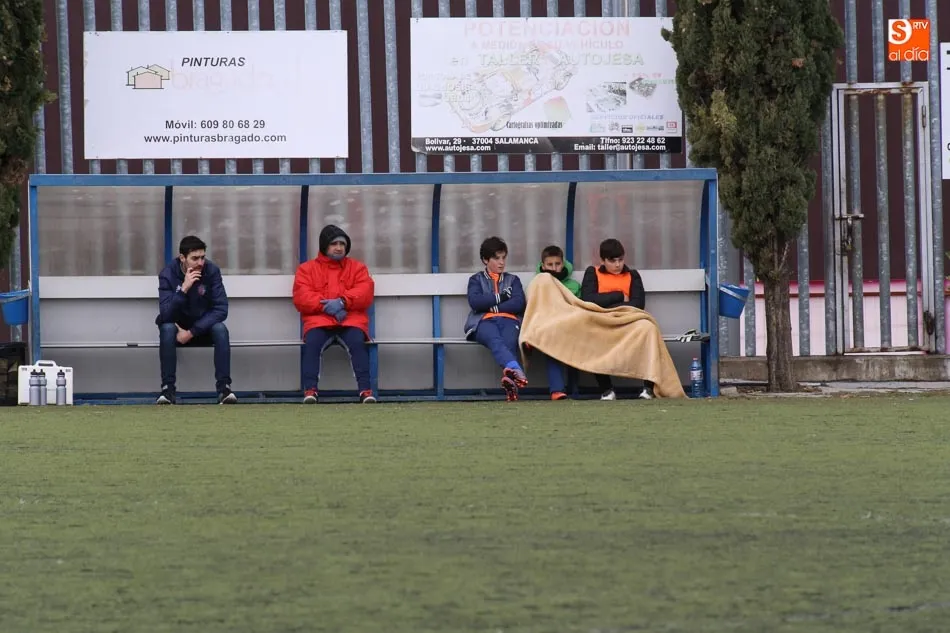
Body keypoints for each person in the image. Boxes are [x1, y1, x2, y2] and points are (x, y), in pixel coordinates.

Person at [293, 224, 376, 404]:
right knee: (312, 343)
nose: (339, 248)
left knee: (357, 342)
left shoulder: (358, 268)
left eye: (342, 244)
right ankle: (310, 390)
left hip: (349, 320)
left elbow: (365, 291)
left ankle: (365, 391)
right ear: (324, 245)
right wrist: (325, 307)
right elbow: (301, 296)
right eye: (334, 244)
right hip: (319, 321)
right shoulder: (306, 269)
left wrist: (342, 302)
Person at [155, 235, 235, 405]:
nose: (200, 263)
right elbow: (166, 314)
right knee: (167, 329)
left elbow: (221, 309)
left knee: (220, 329)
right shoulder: (167, 274)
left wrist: (191, 332)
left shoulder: (211, 271)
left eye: (202, 257)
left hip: (202, 328)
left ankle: (224, 390)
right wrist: (183, 289)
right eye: (195, 258)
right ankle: (167, 391)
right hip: (177, 329)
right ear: (182, 258)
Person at [580, 238, 656, 400]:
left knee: (649, 329)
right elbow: (588, 300)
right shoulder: (592, 272)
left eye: (620, 260)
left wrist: (607, 302)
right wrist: (620, 295)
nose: (617, 265)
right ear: (602, 260)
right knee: (592, 333)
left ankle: (648, 388)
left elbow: (638, 304)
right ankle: (607, 390)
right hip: (602, 322)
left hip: (628, 321)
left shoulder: (633, 275)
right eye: (612, 261)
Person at [464, 236, 528, 402]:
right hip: (483, 321)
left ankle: (511, 383)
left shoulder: (513, 280)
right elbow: (476, 302)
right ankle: (515, 369)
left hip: (509, 320)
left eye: (503, 258)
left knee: (509, 342)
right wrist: (502, 297)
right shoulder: (476, 280)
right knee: (495, 339)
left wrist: (494, 306)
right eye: (496, 258)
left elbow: (518, 303)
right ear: (485, 260)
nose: (501, 262)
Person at [534, 245, 581, 400]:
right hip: (548, 326)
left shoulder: (574, 286)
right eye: (550, 264)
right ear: (543, 266)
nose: (554, 268)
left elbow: (580, 307)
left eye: (557, 264)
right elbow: (533, 307)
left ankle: (573, 387)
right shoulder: (538, 284)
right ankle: (557, 389)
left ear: (563, 264)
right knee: (551, 338)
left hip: (571, 325)